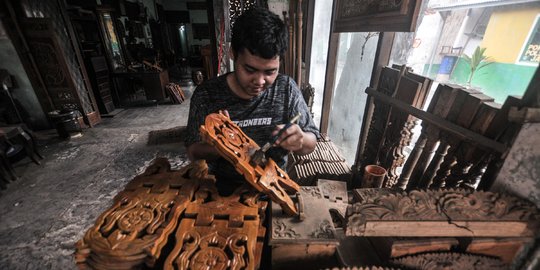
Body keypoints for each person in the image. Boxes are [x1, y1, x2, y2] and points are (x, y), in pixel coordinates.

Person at [184, 8, 320, 194]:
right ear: (233, 53)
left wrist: (301, 140)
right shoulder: (206, 95)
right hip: (221, 190)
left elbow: (311, 143)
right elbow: (193, 152)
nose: (260, 81)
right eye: (249, 70)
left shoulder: (286, 89)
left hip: (273, 188)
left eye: (270, 72)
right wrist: (222, 144)